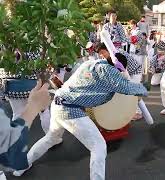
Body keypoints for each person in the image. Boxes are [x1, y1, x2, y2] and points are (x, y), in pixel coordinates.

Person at [12, 33, 148, 180]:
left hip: (58, 103)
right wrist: (143, 89)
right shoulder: (109, 71)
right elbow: (125, 87)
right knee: (98, 146)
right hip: (70, 109)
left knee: (50, 138)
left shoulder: (90, 64)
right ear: (118, 68)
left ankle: (23, 165)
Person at [0, 80, 50, 177]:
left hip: (13, 88)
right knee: (44, 111)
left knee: (17, 115)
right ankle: (50, 135)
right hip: (32, 85)